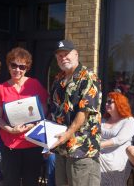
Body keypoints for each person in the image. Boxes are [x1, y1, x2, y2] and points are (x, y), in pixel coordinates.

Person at [49, 39, 102, 186]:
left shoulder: (88, 77)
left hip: (81, 148)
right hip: (61, 148)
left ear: (76, 54)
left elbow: (84, 112)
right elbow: (53, 110)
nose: (63, 57)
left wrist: (67, 134)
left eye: (66, 54)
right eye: (59, 55)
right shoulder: (58, 79)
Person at [0, 47, 48, 186]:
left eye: (22, 66)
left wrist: (34, 124)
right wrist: (10, 129)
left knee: (31, 182)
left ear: (27, 68)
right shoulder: (2, 88)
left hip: (32, 141)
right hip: (10, 143)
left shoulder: (34, 84)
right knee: (11, 182)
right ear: (8, 66)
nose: (17, 70)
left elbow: (44, 109)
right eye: (14, 65)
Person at [99, 91, 134, 185]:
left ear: (119, 103)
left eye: (110, 102)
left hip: (116, 155)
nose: (106, 104)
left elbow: (119, 140)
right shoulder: (102, 120)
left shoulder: (128, 121)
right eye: (106, 102)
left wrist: (97, 145)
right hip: (99, 152)